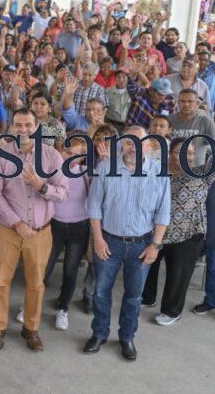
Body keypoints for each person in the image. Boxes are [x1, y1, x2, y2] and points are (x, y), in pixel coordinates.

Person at [83, 126, 170, 361]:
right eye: (129, 142)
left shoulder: (159, 173)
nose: (133, 147)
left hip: (143, 245)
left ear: (148, 146)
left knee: (134, 295)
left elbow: (163, 213)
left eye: (138, 142)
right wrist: (98, 239)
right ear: (122, 144)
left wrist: (156, 245)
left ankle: (127, 337)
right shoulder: (105, 168)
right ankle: (99, 333)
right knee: (101, 292)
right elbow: (93, 207)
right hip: (109, 241)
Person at [0, 108, 68, 352]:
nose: (23, 129)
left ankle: (31, 329)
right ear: (12, 127)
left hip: (40, 233)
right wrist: (17, 223)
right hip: (8, 230)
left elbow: (63, 193)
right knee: (1, 281)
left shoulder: (52, 156)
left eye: (28, 125)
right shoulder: (0, 155)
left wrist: (40, 185)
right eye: (18, 125)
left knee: (36, 283)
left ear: (37, 127)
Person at [141, 139, 213, 325]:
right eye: (179, 152)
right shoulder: (156, 171)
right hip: (156, 232)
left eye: (189, 153)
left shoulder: (201, 173)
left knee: (178, 275)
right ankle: (147, 297)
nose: (185, 156)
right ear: (170, 153)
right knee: (148, 268)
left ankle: (171, 311)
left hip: (189, 235)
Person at [43, 136, 91, 331]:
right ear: (60, 151)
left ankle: (63, 309)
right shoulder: (51, 173)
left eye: (76, 154)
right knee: (43, 268)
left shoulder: (87, 174)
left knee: (70, 271)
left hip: (79, 227)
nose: (71, 157)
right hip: (54, 226)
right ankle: (32, 303)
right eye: (68, 152)